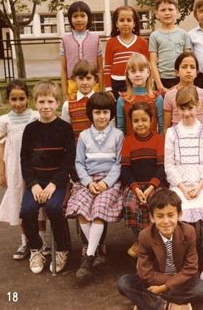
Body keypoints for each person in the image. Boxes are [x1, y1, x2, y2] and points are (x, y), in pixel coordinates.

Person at [65, 93, 124, 282]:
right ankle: (94, 250)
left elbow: (119, 164)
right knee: (82, 209)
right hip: (88, 181)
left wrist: (106, 183)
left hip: (109, 182)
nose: (101, 116)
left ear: (111, 114)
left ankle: (88, 258)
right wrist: (88, 182)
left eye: (105, 112)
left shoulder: (117, 135)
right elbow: (79, 163)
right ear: (91, 114)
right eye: (97, 112)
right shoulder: (83, 136)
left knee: (98, 210)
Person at [117, 188, 203, 310]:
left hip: (180, 280)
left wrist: (165, 287)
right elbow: (145, 273)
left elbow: (191, 268)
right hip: (156, 280)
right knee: (124, 283)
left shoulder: (188, 232)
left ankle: (148, 301)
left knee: (201, 288)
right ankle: (166, 305)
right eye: (160, 216)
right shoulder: (145, 235)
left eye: (170, 215)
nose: (166, 221)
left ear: (179, 215)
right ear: (152, 218)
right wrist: (167, 283)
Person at [20, 80, 75, 274]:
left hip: (57, 182)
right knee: (27, 211)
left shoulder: (64, 128)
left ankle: (62, 248)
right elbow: (24, 161)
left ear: (57, 103)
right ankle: (36, 248)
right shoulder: (30, 129)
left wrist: (53, 185)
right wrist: (33, 185)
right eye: (42, 101)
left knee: (53, 208)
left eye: (50, 101)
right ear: (35, 103)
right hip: (36, 182)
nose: (46, 106)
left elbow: (68, 161)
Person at [0, 80, 49, 260]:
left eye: (21, 98)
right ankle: (25, 240)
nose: (18, 103)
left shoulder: (34, 117)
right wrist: (2, 173)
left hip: (34, 166)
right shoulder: (4, 121)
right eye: (14, 99)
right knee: (19, 202)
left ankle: (42, 240)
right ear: (8, 100)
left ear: (28, 98)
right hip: (14, 168)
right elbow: (2, 148)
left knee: (37, 200)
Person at [164, 86, 203, 230]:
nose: (187, 113)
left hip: (201, 184)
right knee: (183, 220)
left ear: (197, 106)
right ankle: (188, 249)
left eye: (190, 108)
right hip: (179, 186)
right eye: (182, 109)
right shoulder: (171, 133)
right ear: (176, 108)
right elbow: (169, 165)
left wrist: (199, 186)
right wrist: (183, 187)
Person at [121, 102, 166, 259]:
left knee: (156, 205)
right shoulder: (128, 141)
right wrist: (135, 188)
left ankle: (150, 243)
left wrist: (151, 187)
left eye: (144, 120)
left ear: (152, 119)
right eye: (136, 121)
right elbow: (125, 169)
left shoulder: (159, 140)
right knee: (130, 204)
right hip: (135, 186)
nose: (140, 124)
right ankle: (142, 240)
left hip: (155, 185)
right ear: (131, 122)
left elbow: (162, 167)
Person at [60, 1, 103, 100]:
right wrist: (65, 93)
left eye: (82, 16)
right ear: (70, 19)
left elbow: (100, 68)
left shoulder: (96, 38)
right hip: (73, 84)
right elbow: (63, 69)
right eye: (75, 16)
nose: (79, 20)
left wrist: (101, 90)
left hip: (92, 83)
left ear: (88, 18)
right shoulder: (65, 40)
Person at [149, 0, 192, 92]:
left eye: (170, 9)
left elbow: (188, 60)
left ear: (176, 11)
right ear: (156, 13)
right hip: (162, 80)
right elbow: (153, 62)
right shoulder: (154, 36)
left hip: (181, 79)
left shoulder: (184, 34)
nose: (167, 13)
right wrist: (159, 85)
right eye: (163, 10)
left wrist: (186, 82)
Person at [104, 5, 149, 99]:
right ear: (116, 23)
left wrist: (148, 86)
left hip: (137, 83)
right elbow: (107, 67)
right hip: (117, 84)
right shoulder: (111, 43)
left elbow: (147, 67)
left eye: (129, 20)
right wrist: (108, 89)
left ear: (134, 23)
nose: (125, 23)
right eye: (121, 20)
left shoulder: (142, 42)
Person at [163, 52, 203, 134]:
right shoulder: (169, 96)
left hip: (200, 139)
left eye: (192, 67)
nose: (188, 71)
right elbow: (166, 127)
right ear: (177, 72)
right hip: (178, 140)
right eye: (184, 67)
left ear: (197, 73)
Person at [116, 53, 164, 136]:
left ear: (148, 72)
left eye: (141, 70)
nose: (137, 74)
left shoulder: (157, 98)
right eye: (133, 71)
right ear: (128, 75)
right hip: (131, 145)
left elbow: (161, 127)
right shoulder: (122, 100)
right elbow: (121, 128)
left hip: (153, 145)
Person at [61, 60, 98, 142]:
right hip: (77, 150)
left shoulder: (102, 102)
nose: (85, 82)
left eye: (88, 78)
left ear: (95, 79)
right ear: (74, 79)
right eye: (81, 78)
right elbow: (65, 132)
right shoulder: (68, 105)